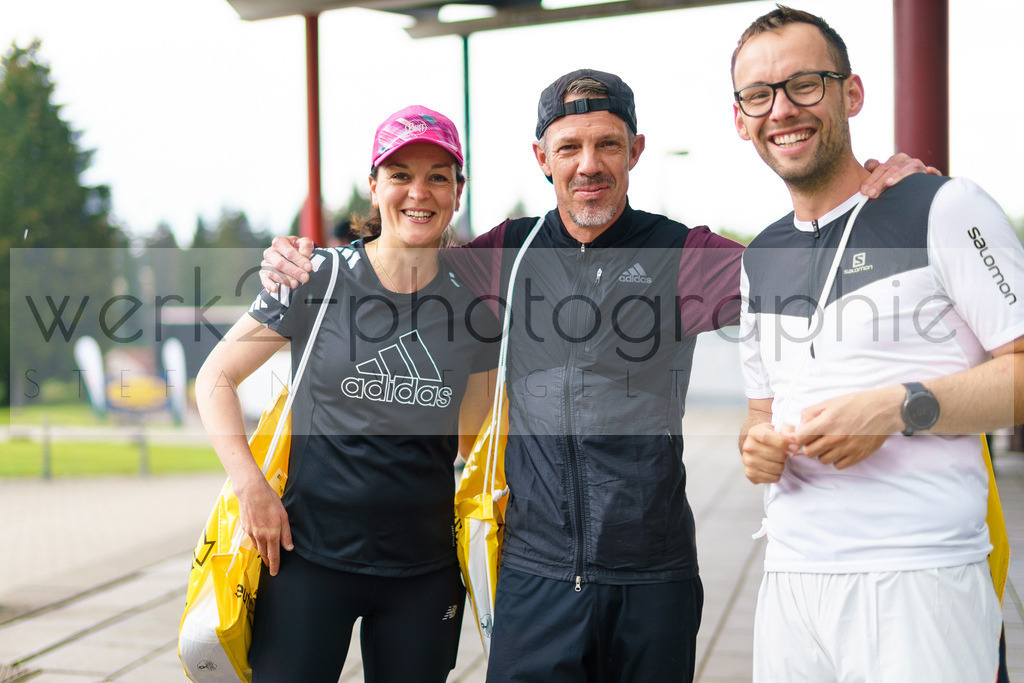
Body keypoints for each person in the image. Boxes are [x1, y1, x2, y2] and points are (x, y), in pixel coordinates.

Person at [260, 71, 926, 682]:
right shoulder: (503, 255)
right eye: (569, 146)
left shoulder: (680, 253)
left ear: (635, 150)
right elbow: (402, 260)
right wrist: (306, 262)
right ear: (541, 158)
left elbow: (805, 274)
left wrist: (879, 202)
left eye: (607, 144)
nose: (589, 164)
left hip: (654, 574)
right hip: (534, 576)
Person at [733, 7, 1024, 682]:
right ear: (741, 117)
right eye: (759, 94)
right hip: (791, 577)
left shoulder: (943, 207)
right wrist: (757, 446)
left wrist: (899, 407)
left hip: (920, 573)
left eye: (805, 84)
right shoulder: (761, 254)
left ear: (851, 93)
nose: (782, 109)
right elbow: (760, 410)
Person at [195, 105, 500, 682]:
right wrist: (251, 488)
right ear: (374, 186)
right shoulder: (317, 278)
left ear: (458, 192)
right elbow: (215, 378)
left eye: (438, 175)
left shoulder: (477, 308)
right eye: (401, 175)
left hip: (424, 569)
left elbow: (472, 437)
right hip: (305, 556)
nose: (419, 191)